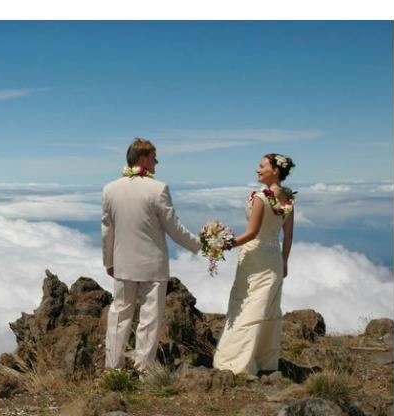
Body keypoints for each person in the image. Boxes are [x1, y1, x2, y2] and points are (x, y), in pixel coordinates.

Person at [101, 138, 202, 372]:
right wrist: (200, 246)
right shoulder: (158, 189)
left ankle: (112, 367)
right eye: (154, 157)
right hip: (153, 265)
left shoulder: (110, 189)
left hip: (122, 263)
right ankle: (143, 369)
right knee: (149, 318)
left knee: (119, 315)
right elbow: (174, 229)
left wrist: (108, 261)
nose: (157, 162)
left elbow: (108, 230)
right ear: (144, 159)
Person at [213, 153, 296, 375]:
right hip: (274, 259)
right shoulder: (288, 198)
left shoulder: (261, 197)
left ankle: (236, 362)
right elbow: (287, 237)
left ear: (275, 170)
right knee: (266, 307)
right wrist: (284, 262)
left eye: (261, 166)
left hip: (254, 257)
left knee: (247, 306)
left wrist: (224, 244)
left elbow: (251, 234)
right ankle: (265, 360)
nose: (257, 170)